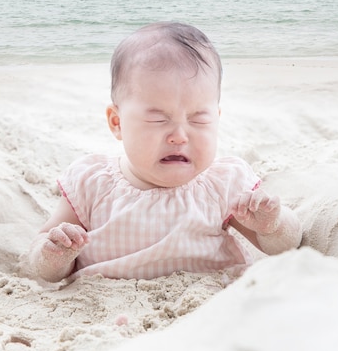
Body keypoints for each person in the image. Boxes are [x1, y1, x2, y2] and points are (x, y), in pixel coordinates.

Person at [24, 22, 302, 282]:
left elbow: (285, 246)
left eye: (199, 119)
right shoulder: (92, 183)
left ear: (216, 118)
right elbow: (42, 266)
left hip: (208, 307)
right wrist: (54, 254)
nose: (179, 136)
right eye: (158, 119)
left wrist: (272, 226)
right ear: (117, 122)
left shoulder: (223, 185)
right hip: (106, 309)